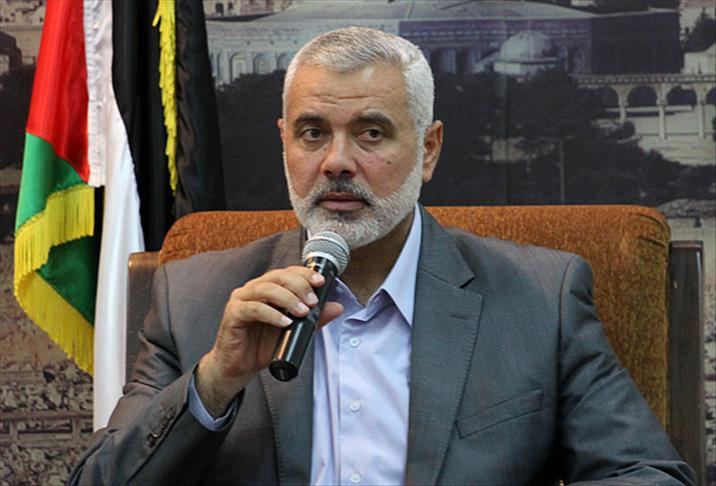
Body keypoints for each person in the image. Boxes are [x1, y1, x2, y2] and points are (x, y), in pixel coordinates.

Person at [70, 27, 694, 485]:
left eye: (371, 133)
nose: (336, 162)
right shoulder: (193, 297)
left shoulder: (540, 298)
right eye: (313, 133)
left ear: (428, 149)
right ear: (284, 144)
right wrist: (214, 382)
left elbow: (647, 475)